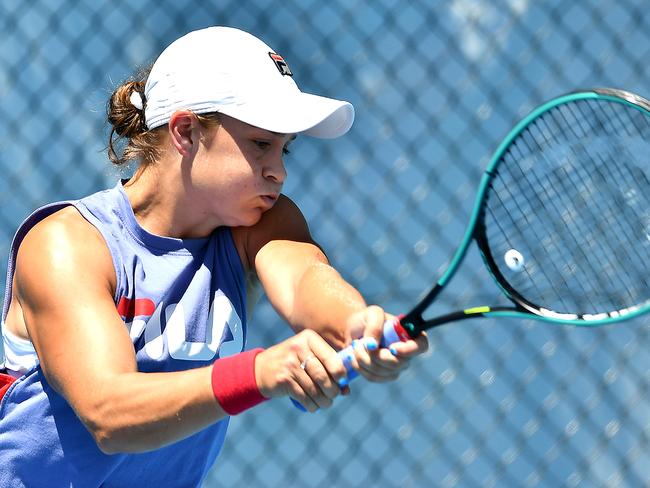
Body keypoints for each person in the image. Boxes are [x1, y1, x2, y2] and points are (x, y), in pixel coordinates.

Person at [0, 26, 428, 487]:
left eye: (286, 149)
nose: (278, 171)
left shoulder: (260, 223)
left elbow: (305, 277)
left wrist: (357, 324)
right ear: (186, 131)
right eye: (261, 144)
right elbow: (108, 411)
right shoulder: (66, 244)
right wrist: (259, 372)